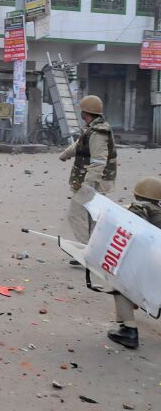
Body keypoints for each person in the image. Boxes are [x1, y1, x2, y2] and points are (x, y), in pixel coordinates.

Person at [106, 176, 161, 350]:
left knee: (119, 283)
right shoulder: (158, 210)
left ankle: (128, 330)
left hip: (152, 262)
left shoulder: (140, 208)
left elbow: (136, 232)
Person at [59, 95, 117, 245]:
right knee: (92, 215)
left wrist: (88, 185)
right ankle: (95, 248)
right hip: (92, 180)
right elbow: (79, 144)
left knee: (75, 213)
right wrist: (65, 154)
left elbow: (99, 160)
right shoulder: (92, 129)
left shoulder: (98, 132)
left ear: (85, 112)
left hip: (94, 181)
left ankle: (86, 250)